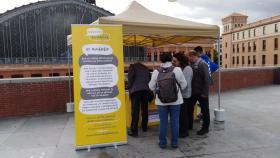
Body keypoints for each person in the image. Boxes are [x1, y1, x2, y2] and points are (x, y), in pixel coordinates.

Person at [149, 53, 187, 149]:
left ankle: (162, 143)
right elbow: (184, 85)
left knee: (163, 122)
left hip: (161, 102)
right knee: (175, 122)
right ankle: (174, 143)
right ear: (171, 59)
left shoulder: (156, 72)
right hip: (176, 101)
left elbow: (151, 87)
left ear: (161, 60)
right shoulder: (177, 70)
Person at [188, 50, 211, 135]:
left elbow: (207, 79)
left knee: (205, 110)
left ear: (193, 56)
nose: (188, 58)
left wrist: (205, 93)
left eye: (189, 57)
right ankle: (189, 125)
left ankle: (205, 128)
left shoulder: (202, 64)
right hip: (194, 92)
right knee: (189, 108)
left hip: (202, 92)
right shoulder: (192, 64)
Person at [127, 62, 152, 137]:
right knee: (145, 109)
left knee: (135, 111)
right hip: (145, 90)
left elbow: (130, 79)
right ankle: (144, 127)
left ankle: (134, 131)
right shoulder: (146, 68)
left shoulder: (132, 66)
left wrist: (129, 87)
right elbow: (149, 79)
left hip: (136, 91)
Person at [172, 53, 193, 138]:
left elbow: (185, 84)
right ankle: (184, 129)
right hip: (180, 94)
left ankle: (184, 131)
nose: (173, 62)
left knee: (183, 114)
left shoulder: (187, 69)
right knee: (182, 113)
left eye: (175, 61)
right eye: (172, 60)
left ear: (180, 61)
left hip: (184, 95)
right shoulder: (179, 68)